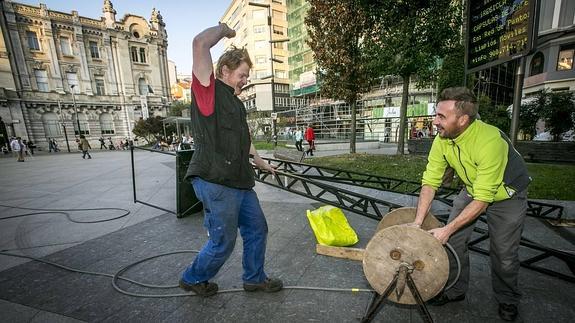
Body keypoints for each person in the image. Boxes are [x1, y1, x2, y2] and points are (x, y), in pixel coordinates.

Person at [409, 87, 531, 322]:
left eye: (441, 116)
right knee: (454, 242)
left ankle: (507, 299)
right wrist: (417, 222)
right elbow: (430, 182)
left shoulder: (489, 141)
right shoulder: (443, 139)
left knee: (503, 253)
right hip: (474, 188)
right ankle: (455, 290)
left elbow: (484, 199)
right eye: (436, 115)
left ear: (463, 119)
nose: (435, 121)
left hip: (507, 195)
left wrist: (445, 229)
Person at [180, 22, 282, 297]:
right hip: (215, 180)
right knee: (223, 242)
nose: (245, 80)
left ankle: (254, 278)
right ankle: (192, 277)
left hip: (239, 181)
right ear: (225, 70)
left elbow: (244, 140)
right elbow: (200, 42)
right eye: (242, 74)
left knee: (257, 229)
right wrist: (226, 30)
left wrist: (262, 163)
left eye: (247, 76)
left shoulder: (236, 103)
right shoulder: (207, 92)